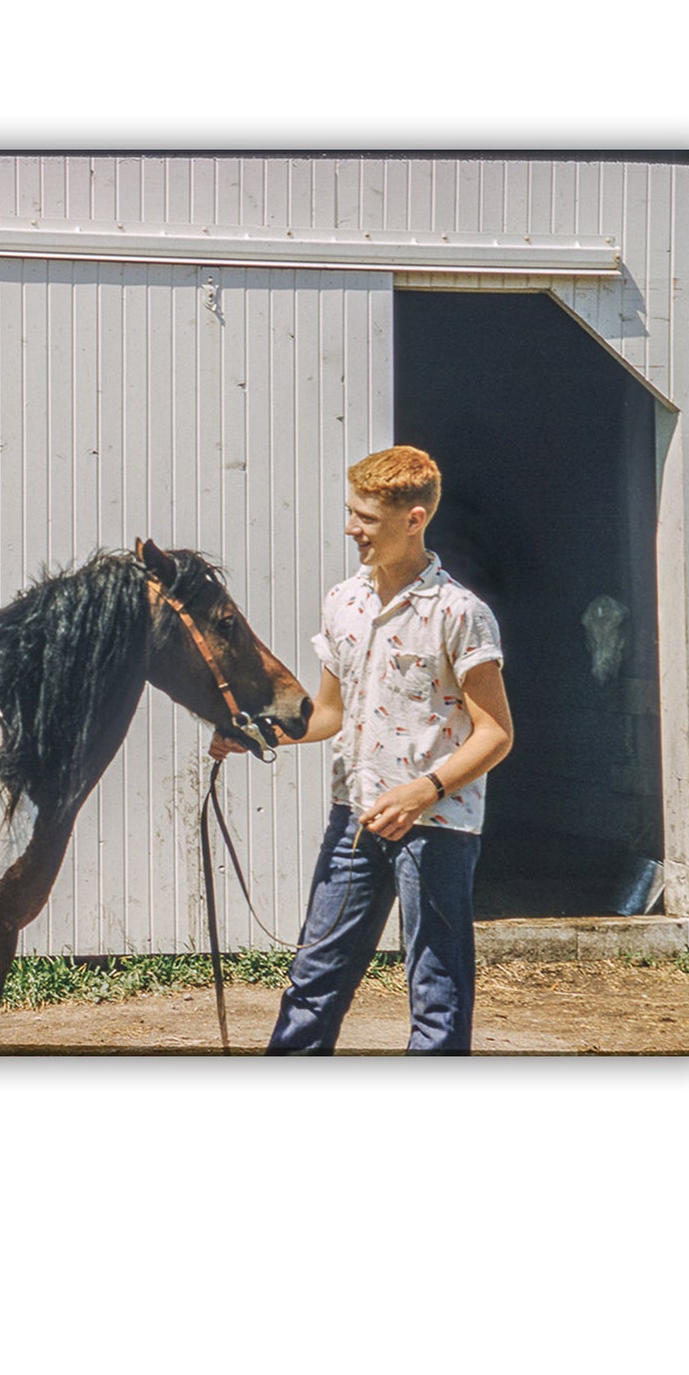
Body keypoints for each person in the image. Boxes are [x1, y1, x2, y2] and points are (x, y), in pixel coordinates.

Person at [240, 445, 514, 1053]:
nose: (350, 528)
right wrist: (258, 732)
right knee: (313, 980)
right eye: (350, 512)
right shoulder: (345, 601)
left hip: (437, 825)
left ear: (414, 519)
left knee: (436, 990)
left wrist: (424, 790)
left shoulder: (460, 613)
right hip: (355, 817)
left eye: (365, 517)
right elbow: (329, 714)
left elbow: (495, 734)